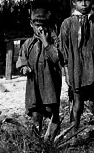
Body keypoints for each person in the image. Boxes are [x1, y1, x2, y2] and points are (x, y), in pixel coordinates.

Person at [60, 0, 94, 151]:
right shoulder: (67, 24)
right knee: (77, 105)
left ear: (93, 2)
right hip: (77, 71)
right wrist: (67, 72)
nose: (84, 4)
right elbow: (64, 50)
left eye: (87, 0)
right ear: (74, 2)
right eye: (80, 1)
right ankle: (73, 136)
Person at [16, 8, 63, 142]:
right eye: (37, 25)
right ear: (31, 24)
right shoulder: (28, 44)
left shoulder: (53, 42)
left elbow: (56, 57)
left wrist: (45, 42)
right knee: (36, 113)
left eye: (43, 25)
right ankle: (37, 141)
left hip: (50, 83)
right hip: (33, 84)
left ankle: (52, 139)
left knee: (51, 110)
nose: (40, 29)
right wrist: (24, 67)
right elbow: (21, 58)